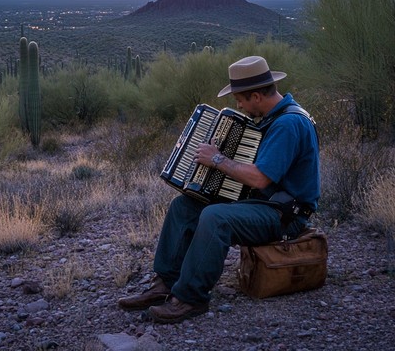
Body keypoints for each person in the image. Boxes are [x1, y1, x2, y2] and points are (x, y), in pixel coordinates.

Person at [117, 55, 320, 324]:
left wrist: (217, 159)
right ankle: (165, 284)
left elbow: (259, 178)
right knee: (184, 206)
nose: (238, 106)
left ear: (257, 97)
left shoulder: (288, 124)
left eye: (241, 100)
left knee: (215, 217)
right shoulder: (276, 117)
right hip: (263, 205)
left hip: (285, 218)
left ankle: (191, 299)